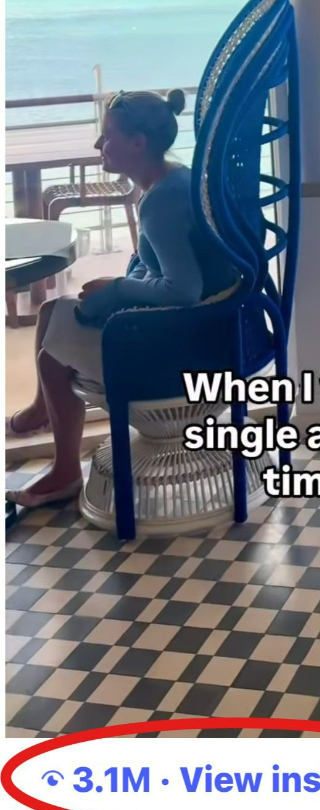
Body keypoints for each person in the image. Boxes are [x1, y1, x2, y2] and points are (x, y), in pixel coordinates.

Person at [7, 90, 235, 509]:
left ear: (137, 143)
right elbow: (165, 265)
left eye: (107, 135)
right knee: (51, 311)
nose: (98, 144)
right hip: (206, 331)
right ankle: (41, 408)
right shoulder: (174, 180)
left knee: (50, 359)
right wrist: (125, 283)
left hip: (183, 349)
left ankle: (64, 473)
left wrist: (116, 290)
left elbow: (182, 290)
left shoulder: (161, 203)